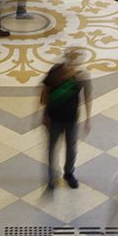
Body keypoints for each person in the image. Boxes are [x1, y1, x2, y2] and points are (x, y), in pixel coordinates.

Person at [40, 48, 91, 191]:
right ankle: (51, 177)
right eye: (71, 62)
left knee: (71, 148)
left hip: (71, 120)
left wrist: (88, 118)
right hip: (54, 119)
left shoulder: (82, 76)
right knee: (52, 149)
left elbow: (87, 96)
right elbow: (44, 94)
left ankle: (69, 173)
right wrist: (44, 115)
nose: (73, 66)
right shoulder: (55, 72)